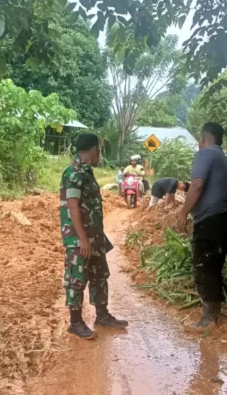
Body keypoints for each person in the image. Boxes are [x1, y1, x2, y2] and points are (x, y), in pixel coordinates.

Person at [60, 133, 128, 340]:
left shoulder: (87, 172)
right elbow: (72, 207)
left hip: (95, 237)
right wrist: (82, 238)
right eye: (99, 149)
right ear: (93, 150)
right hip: (79, 239)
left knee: (100, 276)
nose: (100, 154)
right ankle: (76, 323)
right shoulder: (73, 173)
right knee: (77, 279)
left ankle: (102, 316)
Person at [177, 122, 227, 328]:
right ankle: (215, 308)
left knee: (204, 266)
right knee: (215, 264)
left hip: (212, 221)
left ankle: (209, 318)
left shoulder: (204, 154)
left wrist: (183, 213)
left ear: (202, 139)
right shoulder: (224, 160)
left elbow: (198, 185)